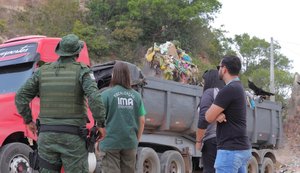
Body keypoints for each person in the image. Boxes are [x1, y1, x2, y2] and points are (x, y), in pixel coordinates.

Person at [15, 34, 106, 173]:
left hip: (47, 136)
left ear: (60, 51)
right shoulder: (82, 71)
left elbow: (20, 96)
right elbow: (95, 98)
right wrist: (100, 124)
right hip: (73, 137)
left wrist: (28, 121)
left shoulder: (42, 71)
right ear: (77, 52)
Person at [205, 55, 252, 173]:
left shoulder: (228, 90)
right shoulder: (239, 88)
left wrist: (216, 114)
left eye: (219, 67)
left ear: (224, 68)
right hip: (242, 148)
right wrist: (218, 114)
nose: (218, 70)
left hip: (230, 151)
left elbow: (208, 117)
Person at [99, 61, 146, 173]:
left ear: (113, 75)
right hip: (130, 142)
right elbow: (142, 120)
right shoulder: (137, 96)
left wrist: (103, 133)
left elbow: (98, 118)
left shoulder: (105, 95)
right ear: (128, 76)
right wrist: (137, 139)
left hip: (111, 142)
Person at [196, 69, 225, 173]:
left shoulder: (210, 93)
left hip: (212, 139)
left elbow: (204, 118)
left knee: (210, 170)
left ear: (210, 80)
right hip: (226, 139)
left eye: (204, 81)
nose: (203, 84)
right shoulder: (225, 93)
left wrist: (198, 141)